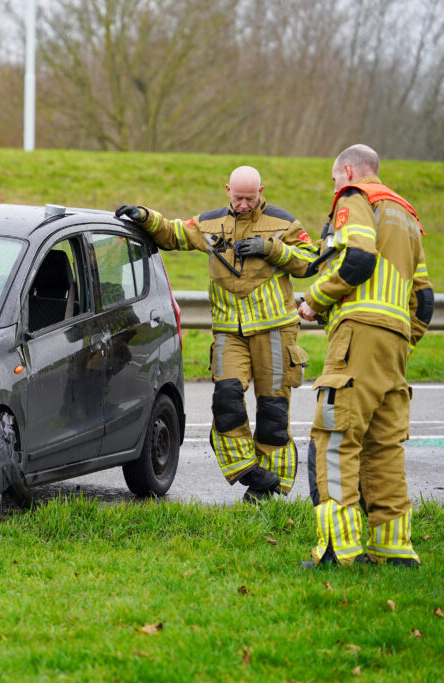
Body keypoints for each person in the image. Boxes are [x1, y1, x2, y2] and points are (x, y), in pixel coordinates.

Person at [116, 166, 317, 501]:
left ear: (261, 192)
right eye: (238, 198)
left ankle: (270, 489)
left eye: (249, 198)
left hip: (275, 330)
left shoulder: (284, 222)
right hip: (229, 332)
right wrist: (146, 217)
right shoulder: (210, 224)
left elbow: (311, 261)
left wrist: (272, 249)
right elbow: (174, 233)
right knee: (226, 401)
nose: (243, 204)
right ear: (227, 191)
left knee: (273, 411)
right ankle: (247, 469)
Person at [298, 144, 434, 567]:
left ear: (349, 171)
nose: (334, 188)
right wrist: (402, 338)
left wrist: (314, 300)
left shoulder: (356, 198)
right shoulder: (407, 215)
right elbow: (425, 301)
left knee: (335, 437)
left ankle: (338, 549)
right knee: (384, 446)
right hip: (396, 343)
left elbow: (358, 259)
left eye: (334, 179)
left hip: (358, 333)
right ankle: (393, 549)